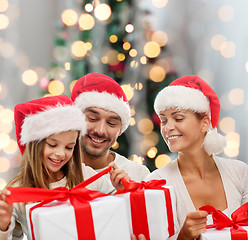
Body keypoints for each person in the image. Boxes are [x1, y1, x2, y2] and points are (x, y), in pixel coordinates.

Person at [0, 95, 126, 240]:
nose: (60, 154)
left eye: (69, 147)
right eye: (52, 145)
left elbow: (116, 212)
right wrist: (3, 226)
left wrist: (122, 191)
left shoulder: (87, 176)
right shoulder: (18, 193)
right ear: (35, 145)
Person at [145, 75, 248, 239]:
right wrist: (183, 237)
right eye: (163, 121)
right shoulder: (157, 183)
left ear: (205, 123)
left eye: (178, 118)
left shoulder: (240, 172)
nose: (168, 127)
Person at [71, 72, 150, 184]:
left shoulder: (138, 175)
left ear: (121, 131)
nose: (100, 130)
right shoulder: (54, 170)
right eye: (92, 118)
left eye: (111, 123)